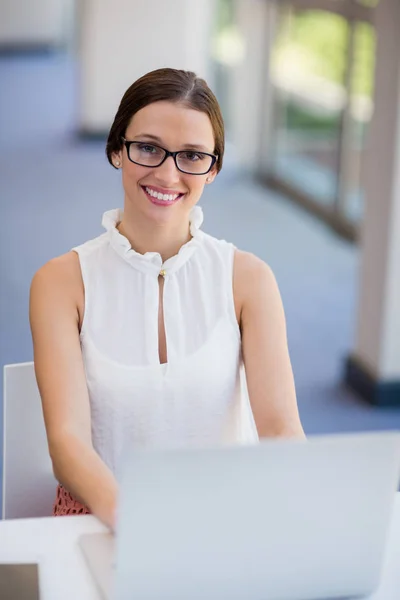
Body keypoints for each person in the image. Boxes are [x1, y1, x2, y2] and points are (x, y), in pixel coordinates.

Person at [29, 68, 305, 531]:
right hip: (105, 520)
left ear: (213, 168)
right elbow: (68, 443)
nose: (167, 173)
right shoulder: (60, 282)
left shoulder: (250, 279)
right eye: (149, 148)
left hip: (225, 521)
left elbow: (280, 430)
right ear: (117, 148)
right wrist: (142, 527)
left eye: (192, 156)